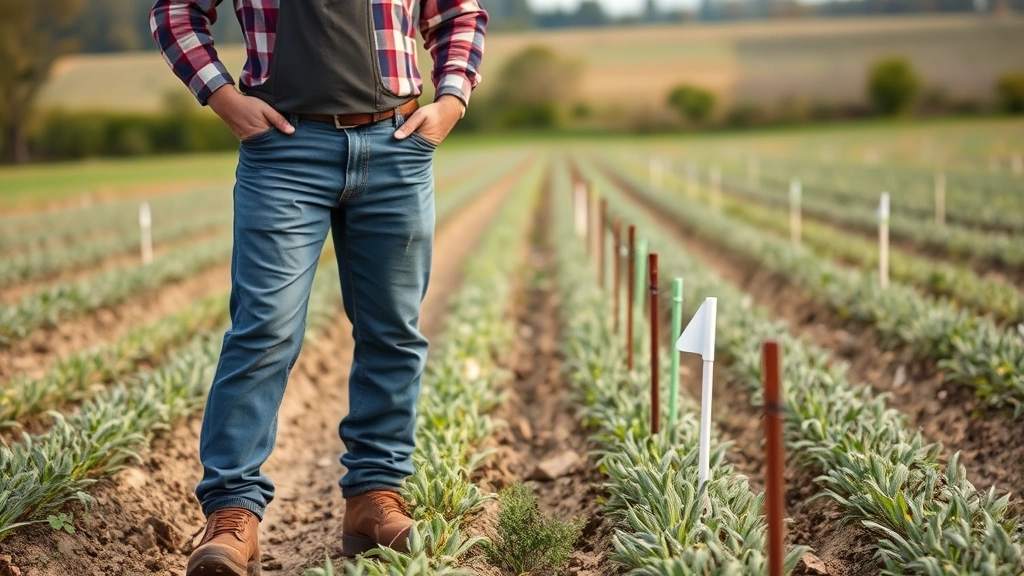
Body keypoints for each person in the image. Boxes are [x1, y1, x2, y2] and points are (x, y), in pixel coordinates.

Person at [149, 1, 487, 573]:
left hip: (396, 145)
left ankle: (374, 497)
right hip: (283, 150)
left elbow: (459, 11)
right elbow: (177, 11)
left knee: (393, 331)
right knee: (265, 329)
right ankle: (233, 514)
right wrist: (222, 96)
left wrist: (452, 99)